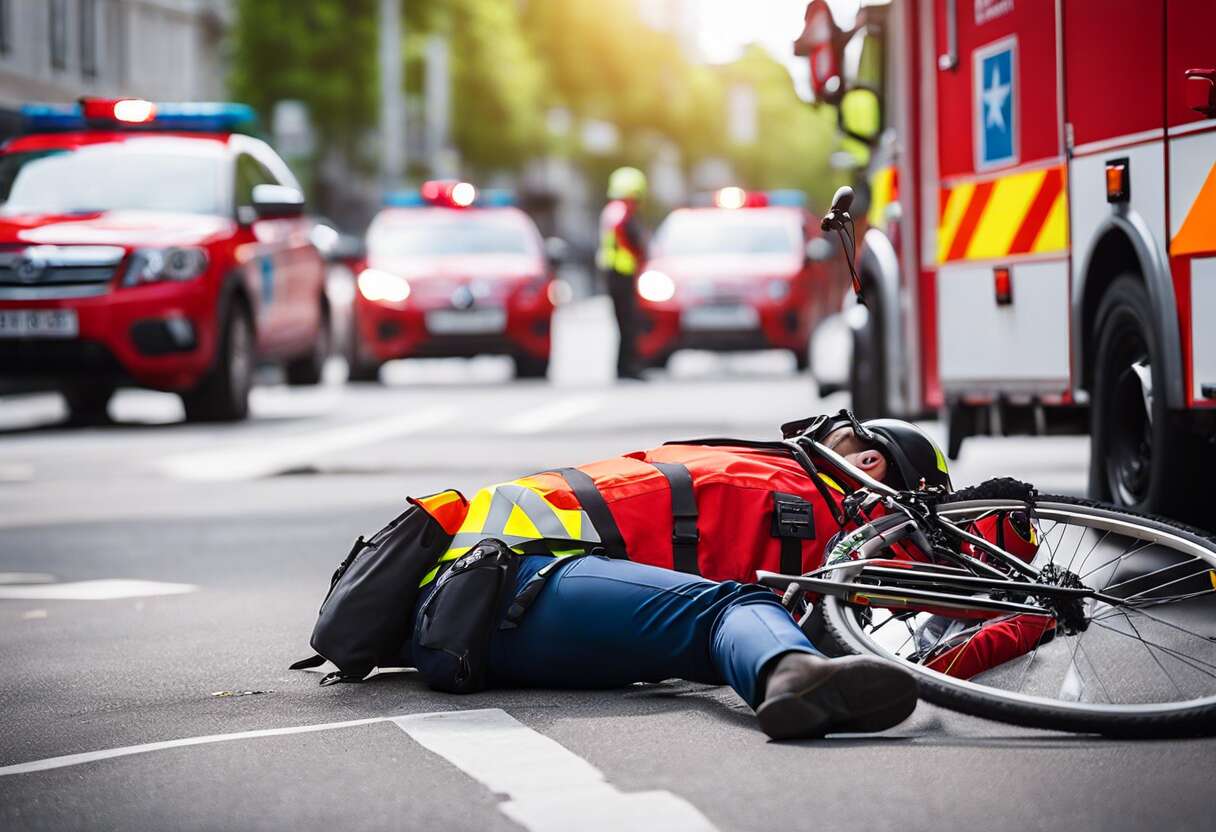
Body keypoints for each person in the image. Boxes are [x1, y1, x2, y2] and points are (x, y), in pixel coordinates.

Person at [407, 414, 954, 740]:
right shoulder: (795, 492)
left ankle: (795, 676)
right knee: (728, 609)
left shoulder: (748, 463)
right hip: (516, 580)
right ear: (873, 468)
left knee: (702, 626)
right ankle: (790, 679)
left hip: (472, 619)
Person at [596, 166, 648, 380]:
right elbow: (627, 239)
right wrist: (639, 254)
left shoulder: (612, 210)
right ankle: (628, 367)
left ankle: (625, 366)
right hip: (620, 274)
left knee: (625, 322)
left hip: (616, 273)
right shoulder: (621, 212)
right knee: (627, 322)